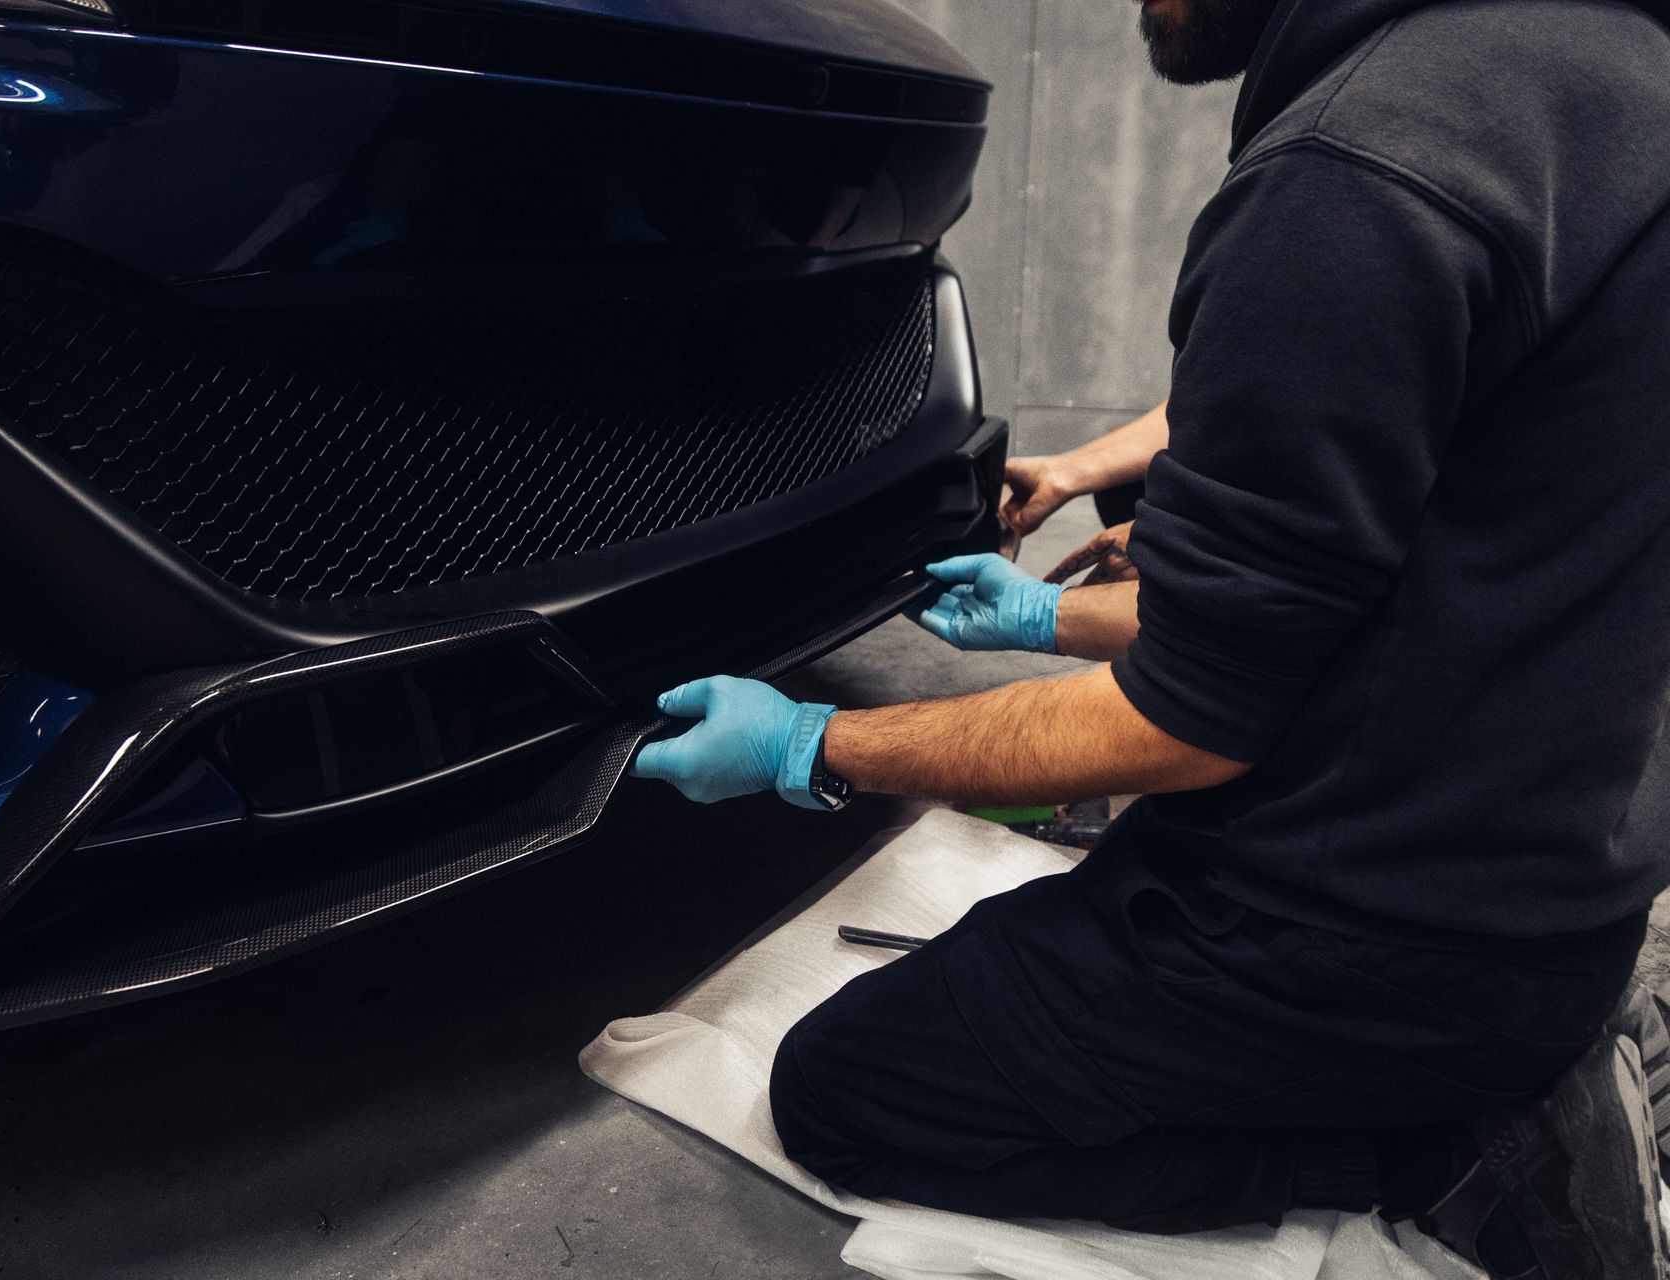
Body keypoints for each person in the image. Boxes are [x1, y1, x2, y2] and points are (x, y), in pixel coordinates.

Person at [630, 0, 1670, 1272]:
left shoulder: (1370, 162)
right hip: (1560, 903)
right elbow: (1407, 598)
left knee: (850, 1089)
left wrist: (814, 739)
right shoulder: (1610, 83)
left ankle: (1448, 1155)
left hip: (1364, 944)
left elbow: (1188, 722)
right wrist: (1052, 613)